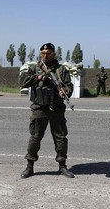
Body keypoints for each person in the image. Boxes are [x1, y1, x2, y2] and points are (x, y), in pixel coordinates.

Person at [19, 42, 75, 179]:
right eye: (43, 53)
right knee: (35, 137)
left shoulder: (61, 70)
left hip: (56, 108)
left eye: (48, 53)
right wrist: (39, 77)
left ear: (53, 54)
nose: (45, 55)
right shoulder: (34, 68)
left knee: (61, 138)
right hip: (39, 108)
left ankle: (62, 166)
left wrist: (65, 92)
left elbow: (69, 86)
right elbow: (23, 81)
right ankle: (30, 166)